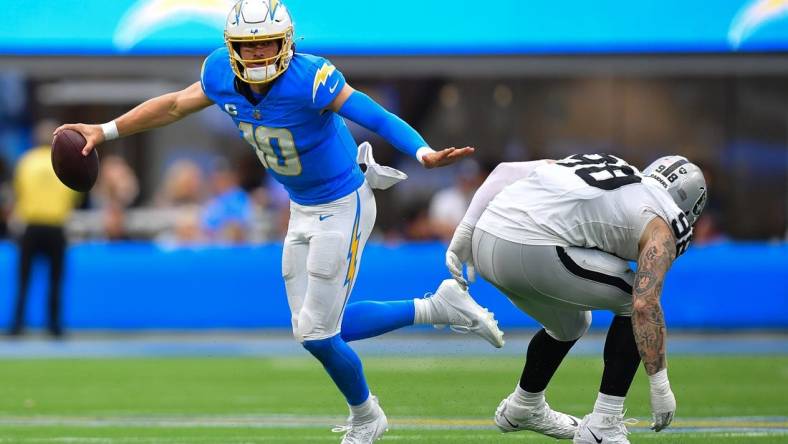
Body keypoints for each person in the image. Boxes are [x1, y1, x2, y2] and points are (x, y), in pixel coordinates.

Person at [55, 1, 503, 443]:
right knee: (319, 329)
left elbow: (373, 114)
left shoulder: (310, 78)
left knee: (317, 332)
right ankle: (438, 308)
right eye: (247, 48)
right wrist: (105, 129)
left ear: (286, 43)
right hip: (301, 205)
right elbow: (173, 105)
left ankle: (368, 417)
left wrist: (422, 150)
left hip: (344, 202)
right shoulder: (219, 74)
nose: (256, 56)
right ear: (231, 48)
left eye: (266, 45)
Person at [445, 153, 707, 443]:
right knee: (632, 300)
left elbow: (505, 169)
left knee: (571, 324)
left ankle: (524, 406)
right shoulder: (666, 220)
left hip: (486, 234)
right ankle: (604, 424)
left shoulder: (607, 165)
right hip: (531, 246)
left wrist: (467, 228)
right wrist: (660, 385)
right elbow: (644, 305)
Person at [9, 119, 80, 337]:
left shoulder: (25, 162)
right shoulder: (64, 161)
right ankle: (55, 325)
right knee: (56, 280)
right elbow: (75, 193)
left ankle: (18, 325)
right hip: (56, 226)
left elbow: (17, 193)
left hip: (31, 227)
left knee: (24, 279)